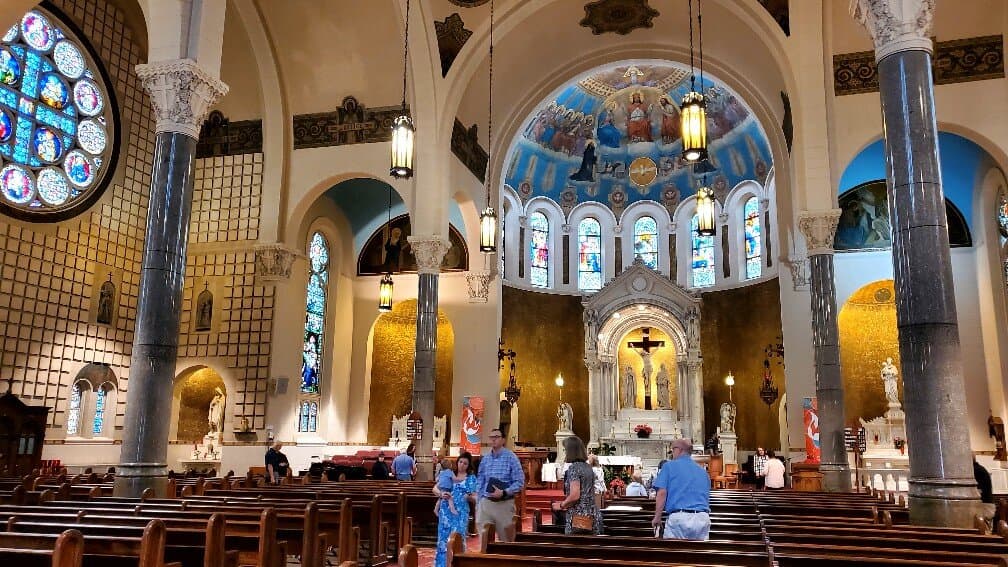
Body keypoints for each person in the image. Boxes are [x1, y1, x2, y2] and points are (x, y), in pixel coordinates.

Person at [651, 438, 710, 541]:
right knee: (699, 555)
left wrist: (657, 516)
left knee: (674, 554)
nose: (672, 453)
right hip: (702, 518)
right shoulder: (703, 471)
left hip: (679, 518)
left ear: (679, 449)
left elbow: (662, 493)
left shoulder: (669, 466)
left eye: (672, 450)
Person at [476, 428, 525, 544]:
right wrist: (479, 501)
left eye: (496, 437)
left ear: (503, 440)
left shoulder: (511, 457)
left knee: (506, 541)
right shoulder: (485, 459)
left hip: (504, 504)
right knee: (484, 538)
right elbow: (480, 481)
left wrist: (504, 492)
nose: (493, 440)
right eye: (491, 437)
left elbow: (520, 482)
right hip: (486, 503)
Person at [550, 436, 602, 535]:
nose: (565, 453)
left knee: (575, 547)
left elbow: (575, 495)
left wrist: (561, 505)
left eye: (566, 450)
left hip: (579, 518)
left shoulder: (574, 468)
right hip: (592, 514)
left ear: (571, 451)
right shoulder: (588, 467)